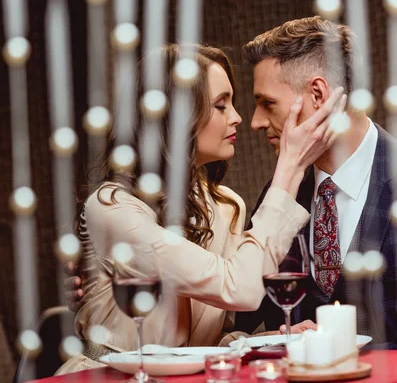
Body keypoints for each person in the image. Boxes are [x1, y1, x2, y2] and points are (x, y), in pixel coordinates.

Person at [56, 43, 346, 374]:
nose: (238, 117)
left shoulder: (227, 206)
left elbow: (205, 338)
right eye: (221, 105)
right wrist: (290, 168)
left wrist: (273, 339)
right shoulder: (111, 207)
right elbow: (242, 289)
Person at [231, 16, 397, 357]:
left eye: (267, 103)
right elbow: (236, 317)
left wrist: (347, 352)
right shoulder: (281, 193)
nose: (255, 121)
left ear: (318, 94)